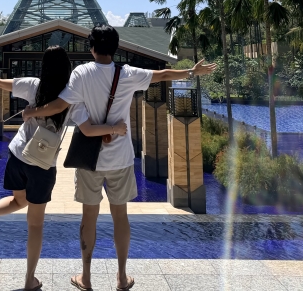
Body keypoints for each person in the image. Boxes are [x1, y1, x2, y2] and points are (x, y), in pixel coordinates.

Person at [23, 25, 217, 291]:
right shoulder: (127, 74)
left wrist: (33, 112)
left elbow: (60, 105)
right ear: (115, 48)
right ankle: (122, 277)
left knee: (88, 218)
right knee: (120, 217)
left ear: (92, 47)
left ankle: (86, 277)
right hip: (121, 159)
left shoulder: (81, 73)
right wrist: (192, 72)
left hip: (89, 160)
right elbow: (162, 75)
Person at [0, 45, 127, 291]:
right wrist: (114, 129)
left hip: (17, 155)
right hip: (42, 165)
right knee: (35, 225)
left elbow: (2, 83)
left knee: (18, 200)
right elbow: (88, 129)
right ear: (67, 69)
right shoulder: (70, 96)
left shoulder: (34, 85)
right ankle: (29, 280)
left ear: (44, 66)